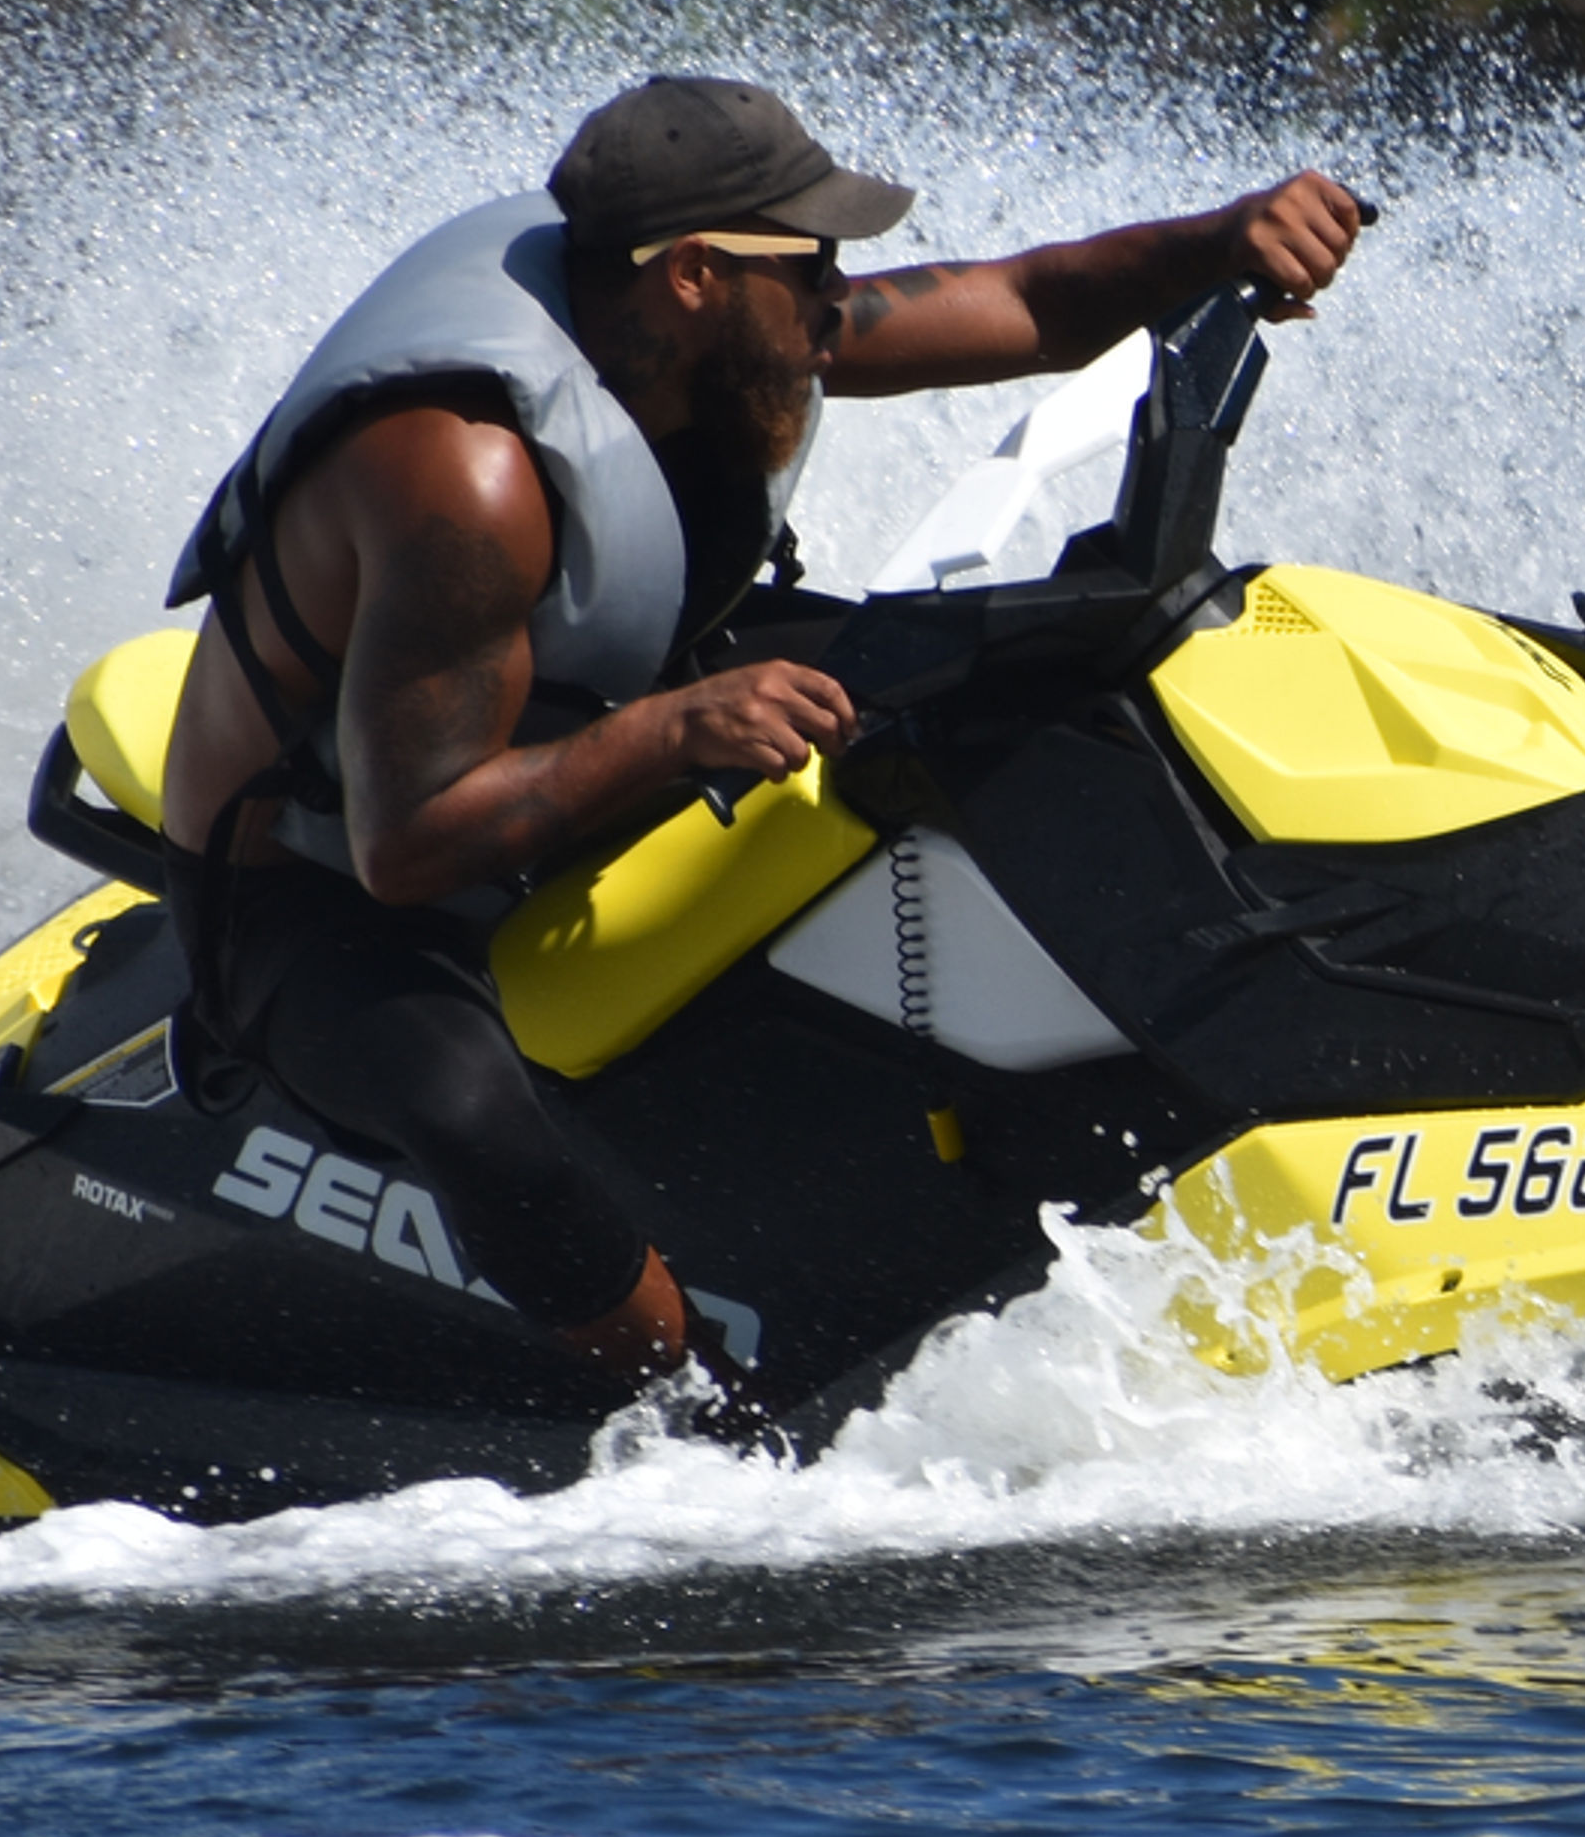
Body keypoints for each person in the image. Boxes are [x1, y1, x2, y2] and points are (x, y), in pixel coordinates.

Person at [157, 74, 1369, 1391]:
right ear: (693, 272)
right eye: (810, 261)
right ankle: (692, 1411)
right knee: (476, 1124)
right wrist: (681, 728)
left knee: (1003, 681)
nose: (837, 289)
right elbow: (407, 846)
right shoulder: (468, 477)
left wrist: (1222, 240)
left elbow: (1027, 303)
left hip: (593, 708)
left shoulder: (717, 328)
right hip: (314, 876)